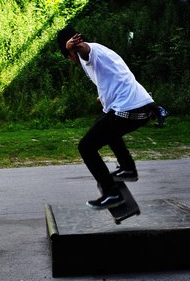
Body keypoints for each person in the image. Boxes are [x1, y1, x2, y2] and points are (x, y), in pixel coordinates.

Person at [57, 26, 156, 210]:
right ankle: (128, 167)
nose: (71, 61)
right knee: (104, 124)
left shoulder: (88, 51)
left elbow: (85, 50)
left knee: (86, 147)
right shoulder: (102, 51)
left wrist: (73, 47)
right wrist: (103, 96)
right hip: (141, 106)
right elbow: (114, 77)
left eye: (68, 57)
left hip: (129, 109)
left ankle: (112, 194)